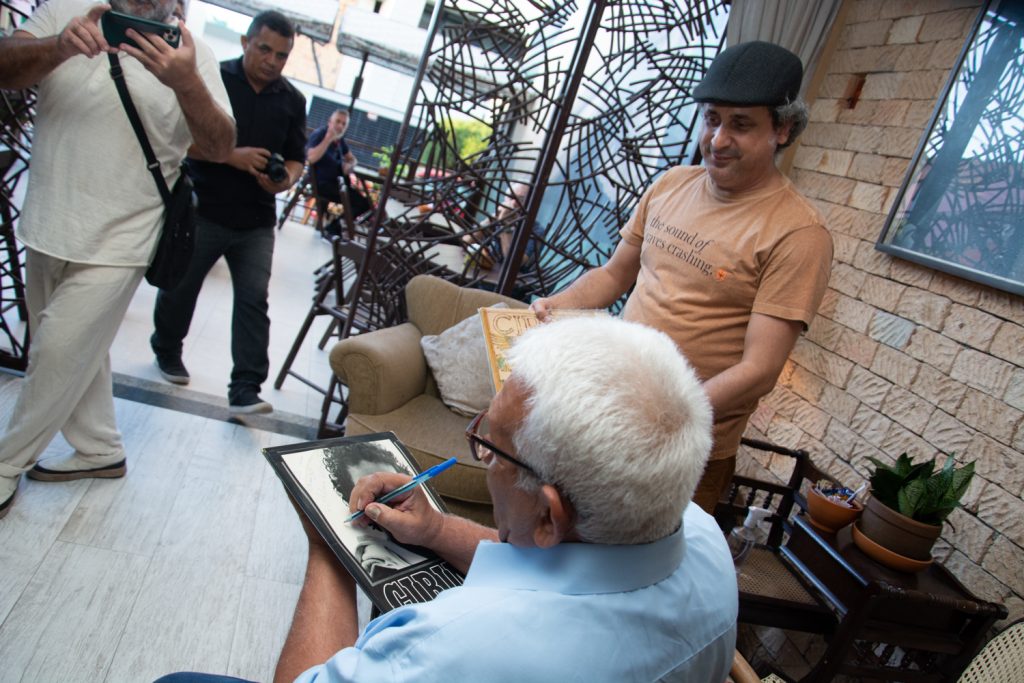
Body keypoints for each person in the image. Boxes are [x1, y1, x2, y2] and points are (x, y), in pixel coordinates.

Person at [156, 316, 737, 683]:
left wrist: (329, 542)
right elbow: (570, 565)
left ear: (548, 514)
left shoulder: (456, 648)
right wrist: (436, 531)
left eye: (491, 447)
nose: (482, 458)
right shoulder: (704, 540)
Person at [531, 41, 834, 512]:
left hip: (686, 449)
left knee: (640, 578)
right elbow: (614, 276)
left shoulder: (798, 233)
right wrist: (557, 305)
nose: (717, 140)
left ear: (784, 128)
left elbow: (759, 370)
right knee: (561, 543)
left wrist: (663, 413)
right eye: (712, 119)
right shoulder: (671, 184)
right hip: (607, 413)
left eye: (741, 124)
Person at [0, 0, 234, 519]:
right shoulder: (64, 9)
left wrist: (187, 81)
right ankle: (99, 447)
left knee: (56, 352)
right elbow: (5, 67)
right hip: (48, 220)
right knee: (75, 347)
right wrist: (57, 46)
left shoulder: (195, 56)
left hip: (124, 236)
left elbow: (221, 145)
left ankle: (5, 464)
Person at [149, 10, 306, 415]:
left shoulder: (293, 101)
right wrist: (230, 156)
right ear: (245, 42)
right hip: (205, 207)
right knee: (181, 286)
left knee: (254, 301)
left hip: (256, 220)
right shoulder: (211, 78)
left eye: (282, 55)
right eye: (265, 49)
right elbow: (178, 140)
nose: (272, 60)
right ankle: (167, 351)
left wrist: (283, 180)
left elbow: (296, 160)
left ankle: (246, 388)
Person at [305, 109, 372, 236]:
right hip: (321, 184)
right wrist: (327, 139)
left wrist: (349, 164)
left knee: (365, 203)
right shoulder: (320, 134)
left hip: (337, 184)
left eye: (344, 124)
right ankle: (333, 230)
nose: (340, 126)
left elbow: (353, 159)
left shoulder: (340, 141)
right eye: (338, 122)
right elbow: (310, 158)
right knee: (362, 203)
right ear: (330, 122)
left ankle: (334, 228)